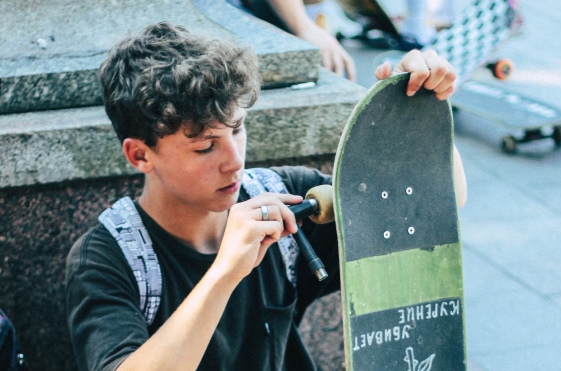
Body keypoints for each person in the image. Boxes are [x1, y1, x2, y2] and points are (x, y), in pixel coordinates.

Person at [65, 21, 465, 371]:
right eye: (205, 147)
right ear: (140, 154)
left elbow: (435, 207)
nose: (234, 162)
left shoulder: (282, 195)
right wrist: (225, 272)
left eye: (237, 129)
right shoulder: (105, 259)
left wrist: (418, 113)